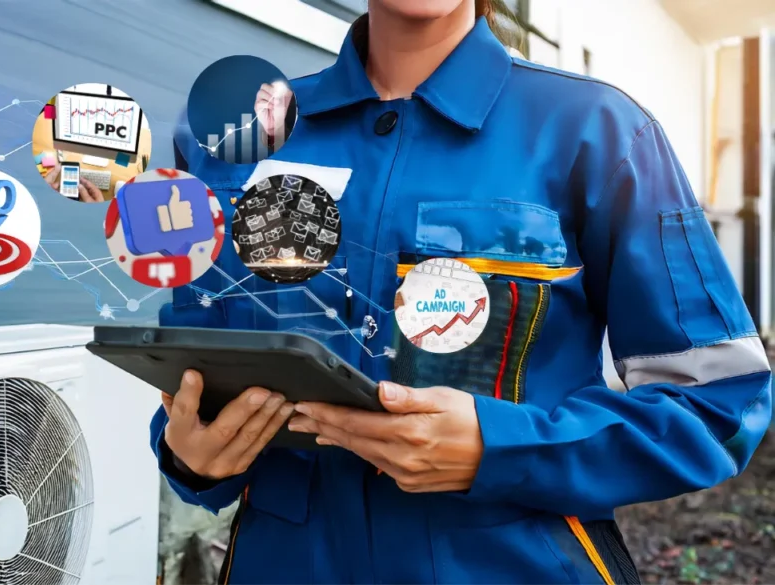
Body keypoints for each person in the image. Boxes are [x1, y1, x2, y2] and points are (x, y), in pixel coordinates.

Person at [152, 0, 774, 583]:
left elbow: (720, 402)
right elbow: (195, 368)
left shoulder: (602, 133)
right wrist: (189, 454)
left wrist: (502, 449)